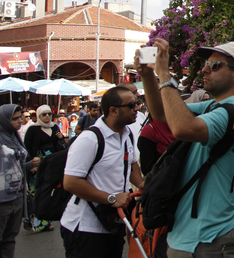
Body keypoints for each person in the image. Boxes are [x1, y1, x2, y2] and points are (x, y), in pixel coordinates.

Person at [139, 39, 234, 257]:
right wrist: (147, 76)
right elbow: (162, 113)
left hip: (209, 235)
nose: (204, 69)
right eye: (206, 64)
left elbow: (182, 128)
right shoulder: (214, 106)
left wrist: (165, 74)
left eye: (214, 65)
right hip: (192, 232)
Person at [60, 86, 143, 258]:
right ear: (113, 111)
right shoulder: (90, 139)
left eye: (137, 103)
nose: (137, 108)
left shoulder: (127, 134)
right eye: (131, 105)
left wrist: (143, 184)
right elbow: (71, 182)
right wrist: (111, 198)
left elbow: (132, 162)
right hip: (86, 227)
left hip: (114, 222)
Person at [0, 105, 40, 258]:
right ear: (4, 120)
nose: (20, 121)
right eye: (15, 118)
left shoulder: (14, 136)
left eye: (20, 117)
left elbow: (14, 166)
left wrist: (29, 165)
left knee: (9, 239)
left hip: (16, 197)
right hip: (2, 201)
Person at [23, 104, 66, 233]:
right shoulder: (33, 129)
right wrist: (30, 164)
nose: (47, 116)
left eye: (49, 114)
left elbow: (60, 146)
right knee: (35, 192)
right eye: (44, 114)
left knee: (48, 192)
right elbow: (27, 148)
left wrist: (61, 138)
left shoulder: (55, 127)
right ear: (38, 116)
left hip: (52, 163)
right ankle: (30, 220)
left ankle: (43, 223)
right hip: (37, 164)